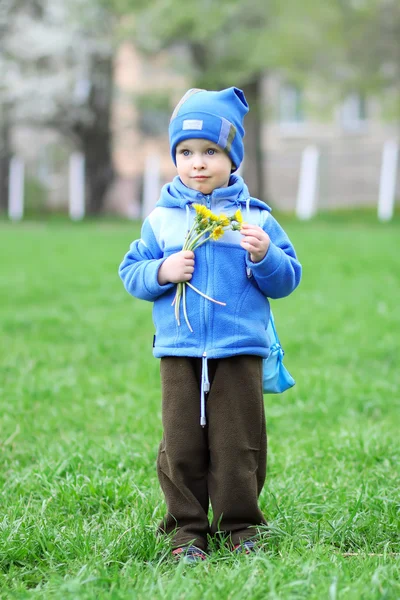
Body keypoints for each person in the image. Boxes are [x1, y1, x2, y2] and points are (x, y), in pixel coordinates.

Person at [119, 87, 302, 562]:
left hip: (240, 347)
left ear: (233, 157)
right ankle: (186, 532)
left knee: (238, 444)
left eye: (211, 152)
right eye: (185, 152)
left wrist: (264, 256)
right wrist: (162, 271)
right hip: (180, 349)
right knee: (180, 443)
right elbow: (131, 273)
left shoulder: (255, 216)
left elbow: (287, 279)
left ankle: (241, 527)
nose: (197, 162)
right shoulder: (161, 220)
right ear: (174, 157)